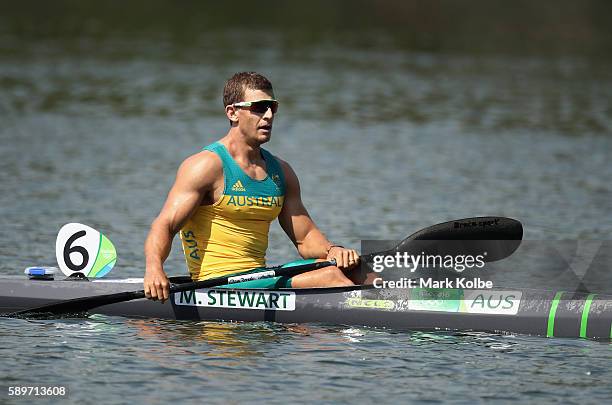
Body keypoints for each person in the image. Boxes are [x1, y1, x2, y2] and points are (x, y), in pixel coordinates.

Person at [143, 72, 360, 302]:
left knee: (357, 269)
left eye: (272, 107)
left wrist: (332, 250)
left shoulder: (281, 172)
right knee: (330, 277)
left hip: (259, 278)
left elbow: (305, 237)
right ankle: (363, 323)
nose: (268, 115)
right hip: (218, 282)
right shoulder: (206, 166)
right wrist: (154, 269)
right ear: (232, 112)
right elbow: (164, 225)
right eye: (258, 107)